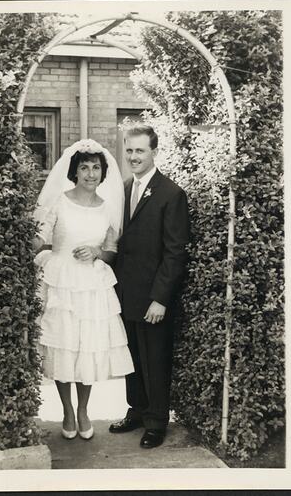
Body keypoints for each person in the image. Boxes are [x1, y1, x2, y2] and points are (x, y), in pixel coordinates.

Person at [33, 139, 134, 441]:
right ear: (74, 172)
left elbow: (112, 250)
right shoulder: (59, 201)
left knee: (87, 347)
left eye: (96, 168)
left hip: (92, 286)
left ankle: (83, 410)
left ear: (103, 173)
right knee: (64, 346)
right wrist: (43, 250)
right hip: (62, 283)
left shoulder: (108, 209)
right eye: (84, 168)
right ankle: (66, 409)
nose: (90, 174)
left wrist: (97, 252)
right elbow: (39, 238)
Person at [109, 125, 190, 449]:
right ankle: (137, 411)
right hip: (126, 292)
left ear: (154, 151)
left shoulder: (171, 193)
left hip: (153, 297)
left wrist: (160, 299)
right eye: (129, 150)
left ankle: (156, 421)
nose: (133, 157)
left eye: (139, 151)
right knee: (132, 358)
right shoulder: (123, 188)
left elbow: (175, 252)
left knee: (155, 358)